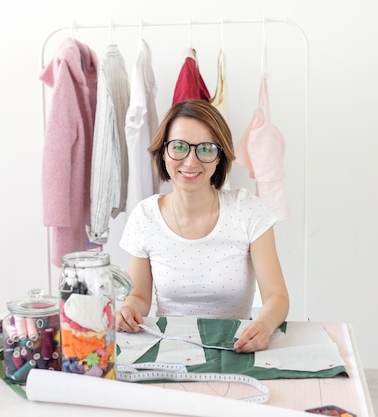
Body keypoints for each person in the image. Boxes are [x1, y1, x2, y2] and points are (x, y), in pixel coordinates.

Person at [115, 99, 289, 353]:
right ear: (163, 152)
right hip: (169, 348)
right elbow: (140, 297)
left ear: (220, 157)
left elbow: (277, 296)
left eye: (205, 149)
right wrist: (129, 309)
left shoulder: (249, 211)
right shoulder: (144, 217)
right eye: (179, 147)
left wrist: (265, 324)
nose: (190, 161)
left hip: (236, 347)